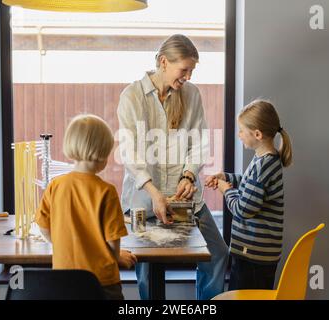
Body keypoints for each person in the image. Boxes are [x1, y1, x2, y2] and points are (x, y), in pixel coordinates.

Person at [117, 34, 228, 300]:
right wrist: (155, 193)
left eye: (192, 70)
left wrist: (189, 175)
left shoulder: (192, 94)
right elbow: (129, 152)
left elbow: (200, 141)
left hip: (187, 199)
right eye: (184, 69)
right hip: (145, 200)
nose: (188, 76)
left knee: (218, 254)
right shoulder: (132, 96)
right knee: (147, 266)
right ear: (164, 62)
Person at [35, 114, 137, 300]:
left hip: (64, 280)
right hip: (102, 283)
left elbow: (43, 227)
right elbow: (113, 245)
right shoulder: (106, 191)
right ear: (104, 154)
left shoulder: (55, 186)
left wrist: (63, 246)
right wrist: (118, 257)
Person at [205, 99, 292, 291]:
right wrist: (226, 177)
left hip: (254, 256)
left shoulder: (264, 165)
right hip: (256, 254)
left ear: (258, 134)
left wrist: (226, 190)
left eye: (242, 130)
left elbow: (243, 209)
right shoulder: (265, 159)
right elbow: (249, 183)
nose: (239, 135)